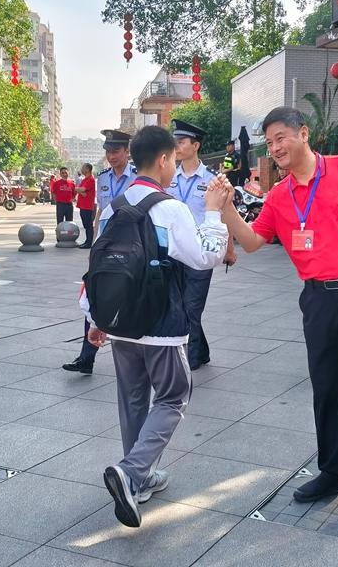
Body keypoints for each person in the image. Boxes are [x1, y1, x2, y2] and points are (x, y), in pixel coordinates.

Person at [213, 106, 338, 522]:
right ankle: (332, 473)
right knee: (325, 388)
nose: (275, 148)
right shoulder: (280, 196)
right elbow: (253, 242)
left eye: (281, 137)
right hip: (318, 298)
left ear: (303, 134)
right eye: (269, 142)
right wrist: (227, 210)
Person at [83, 125, 230, 527]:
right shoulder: (170, 208)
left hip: (120, 322)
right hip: (161, 323)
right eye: (173, 161)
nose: (174, 168)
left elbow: (97, 264)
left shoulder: (114, 206)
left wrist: (93, 318)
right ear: (164, 160)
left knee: (132, 399)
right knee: (174, 395)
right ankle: (132, 472)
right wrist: (213, 211)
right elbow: (206, 257)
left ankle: (140, 478)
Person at [62, 129, 136, 375]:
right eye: (108, 152)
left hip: (130, 247)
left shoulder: (138, 177)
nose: (111, 156)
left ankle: (134, 361)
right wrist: (94, 244)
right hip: (105, 247)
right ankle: (86, 358)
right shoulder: (103, 179)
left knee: (129, 301)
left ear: (127, 151)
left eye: (116, 151)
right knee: (94, 298)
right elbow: (100, 212)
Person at [167, 119, 237, 371]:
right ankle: (202, 350)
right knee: (181, 305)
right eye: (175, 142)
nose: (176, 146)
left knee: (192, 307)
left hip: (201, 251)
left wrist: (229, 249)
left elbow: (226, 214)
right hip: (174, 251)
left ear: (195, 146)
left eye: (182, 142)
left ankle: (192, 358)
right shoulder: (168, 178)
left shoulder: (213, 180)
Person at [75, 163, 96, 249]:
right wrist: (80, 191)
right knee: (86, 225)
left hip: (87, 206)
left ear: (87, 169)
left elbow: (82, 189)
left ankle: (89, 243)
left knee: (88, 225)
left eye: (83, 168)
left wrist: (79, 190)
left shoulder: (90, 179)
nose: (81, 169)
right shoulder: (84, 180)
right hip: (83, 206)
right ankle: (87, 241)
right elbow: (79, 190)